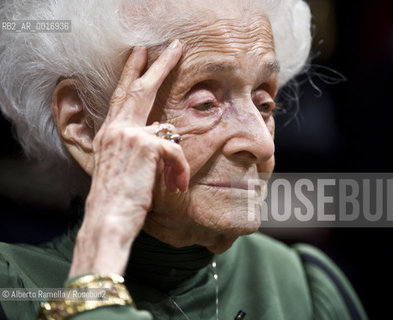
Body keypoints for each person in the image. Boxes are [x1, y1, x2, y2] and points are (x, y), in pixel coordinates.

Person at [0, 0, 367, 319]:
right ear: (82, 125)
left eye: (264, 104)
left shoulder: (304, 287)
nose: (261, 144)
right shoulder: (13, 288)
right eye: (206, 104)